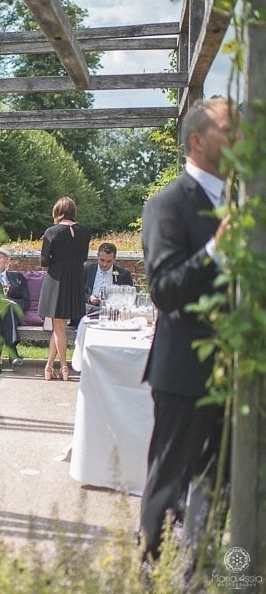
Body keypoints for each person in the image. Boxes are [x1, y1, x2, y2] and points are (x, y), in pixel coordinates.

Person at [138, 98, 233, 563]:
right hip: (183, 373)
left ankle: (200, 572)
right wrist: (217, 248)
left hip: (234, 374)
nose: (240, 138)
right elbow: (165, 290)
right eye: (228, 129)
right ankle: (150, 573)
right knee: (170, 482)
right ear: (198, 140)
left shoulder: (242, 204)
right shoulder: (168, 205)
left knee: (221, 485)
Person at [37, 196, 92, 381]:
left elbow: (44, 261)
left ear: (57, 212)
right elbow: (83, 257)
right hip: (76, 278)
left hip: (57, 279)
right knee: (58, 326)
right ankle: (48, 366)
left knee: (58, 326)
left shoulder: (52, 232)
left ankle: (64, 367)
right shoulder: (85, 231)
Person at [0, 247, 29, 375]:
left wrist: (12, 303)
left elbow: (25, 301)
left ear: (7, 261)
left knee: (4, 312)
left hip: (13, 314)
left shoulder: (17, 277)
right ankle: (13, 352)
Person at [83, 242, 134, 316]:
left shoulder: (123, 274)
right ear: (97, 256)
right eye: (102, 260)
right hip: (88, 310)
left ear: (114, 259)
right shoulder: (86, 270)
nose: (105, 264)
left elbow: (128, 296)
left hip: (112, 311)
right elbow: (77, 292)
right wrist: (89, 298)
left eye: (109, 261)